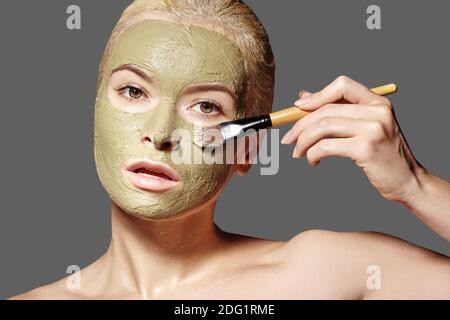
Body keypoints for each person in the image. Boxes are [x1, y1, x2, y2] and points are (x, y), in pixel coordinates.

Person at [11, 0, 449, 300]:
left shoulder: (322, 274)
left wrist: (416, 187)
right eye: (132, 91)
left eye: (205, 106)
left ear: (248, 146)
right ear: (95, 112)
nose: (162, 133)